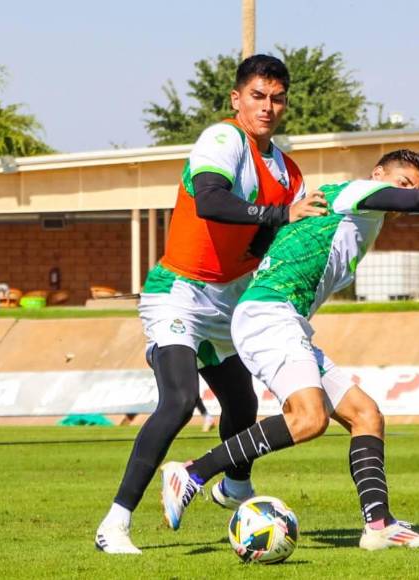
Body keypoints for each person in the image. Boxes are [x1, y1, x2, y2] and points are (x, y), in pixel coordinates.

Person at [158, 149, 419, 550]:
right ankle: (191, 473)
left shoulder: (358, 214)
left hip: (285, 320)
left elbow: (271, 241)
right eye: (402, 184)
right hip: (267, 316)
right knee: (308, 419)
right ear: (379, 174)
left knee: (366, 415)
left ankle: (378, 526)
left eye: (415, 187)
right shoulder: (356, 193)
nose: (408, 195)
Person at [95, 54, 328, 555]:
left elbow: (284, 236)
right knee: (179, 402)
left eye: (277, 98)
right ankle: (114, 525)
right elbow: (210, 201)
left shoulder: (288, 170)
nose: (268, 107)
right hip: (178, 291)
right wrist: (280, 213)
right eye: (258, 96)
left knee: (243, 404)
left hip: (230, 300)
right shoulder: (223, 139)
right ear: (237, 99)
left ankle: (234, 487)